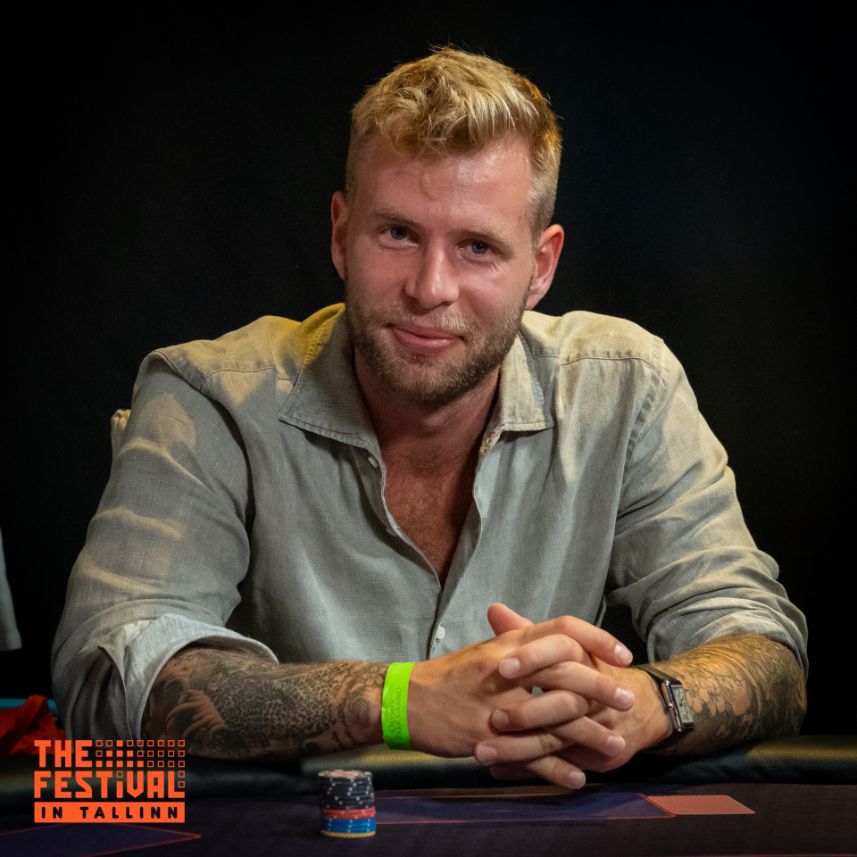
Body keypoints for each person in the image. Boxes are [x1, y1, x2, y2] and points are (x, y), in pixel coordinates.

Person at [52, 47, 807, 789]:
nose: (429, 287)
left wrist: (638, 705)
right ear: (341, 233)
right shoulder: (208, 394)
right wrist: (400, 701)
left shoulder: (627, 386)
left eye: (477, 246)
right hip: (285, 839)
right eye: (398, 233)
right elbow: (109, 676)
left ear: (540, 266)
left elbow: (764, 649)